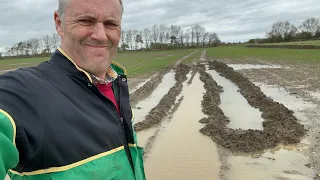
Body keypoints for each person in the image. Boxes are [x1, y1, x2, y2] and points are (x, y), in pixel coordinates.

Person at [0, 0, 146, 179]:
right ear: (59, 23)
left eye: (111, 24)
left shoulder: (115, 83)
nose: (100, 35)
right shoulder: (24, 92)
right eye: (86, 21)